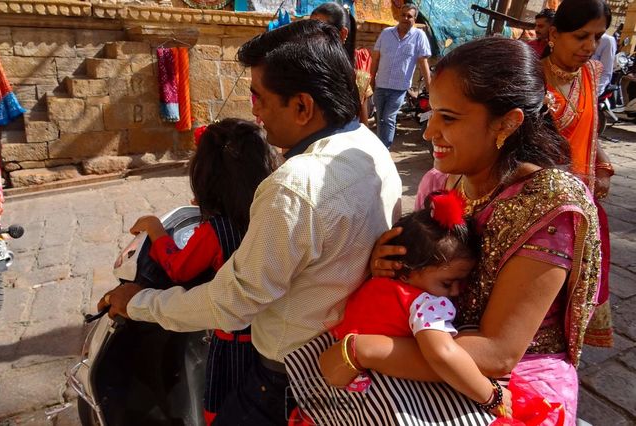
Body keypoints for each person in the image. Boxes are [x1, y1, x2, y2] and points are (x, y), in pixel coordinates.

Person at [98, 19, 402, 425]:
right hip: (338, 356)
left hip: (288, 377)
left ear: (302, 107)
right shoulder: (370, 147)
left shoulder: (295, 186)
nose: (254, 110)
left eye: (259, 98)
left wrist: (139, 303)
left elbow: (231, 303)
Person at [289, 37, 600, 426]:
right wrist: (395, 266)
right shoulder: (447, 183)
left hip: (509, 383)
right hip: (430, 346)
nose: (428, 132)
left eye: (449, 118)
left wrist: (361, 350)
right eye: (432, 112)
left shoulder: (549, 204)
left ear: (507, 123)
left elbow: (499, 352)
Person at [127, 118, 277, 424]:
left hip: (233, 342)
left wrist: (156, 229)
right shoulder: (270, 212)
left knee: (223, 410)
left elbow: (178, 269)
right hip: (269, 338)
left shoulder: (215, 230)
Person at [325, 191, 512, 418]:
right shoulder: (426, 303)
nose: (455, 292)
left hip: (347, 396)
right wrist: (491, 396)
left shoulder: (375, 282)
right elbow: (442, 353)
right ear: (407, 272)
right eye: (447, 283)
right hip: (395, 402)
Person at [543, 0, 614, 347]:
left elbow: (592, 127)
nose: (589, 46)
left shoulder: (591, 74)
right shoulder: (532, 74)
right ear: (555, 34)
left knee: (579, 280)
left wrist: (602, 165)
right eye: (581, 36)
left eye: (597, 37)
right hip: (541, 204)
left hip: (582, 201)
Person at [370, 3, 432, 148]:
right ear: (398, 16)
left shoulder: (419, 36)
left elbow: (423, 63)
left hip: (399, 87)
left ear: (414, 19)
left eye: (409, 16)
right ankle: (380, 147)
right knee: (380, 118)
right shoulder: (386, 33)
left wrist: (430, 89)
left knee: (389, 118)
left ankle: (385, 148)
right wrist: (371, 80)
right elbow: (376, 57)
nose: (405, 18)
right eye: (403, 15)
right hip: (381, 84)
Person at [310, 2, 373, 126]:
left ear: (342, 34)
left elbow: (362, 127)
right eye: (310, 29)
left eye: (321, 30)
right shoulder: (302, 72)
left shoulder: (358, 80)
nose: (312, 36)